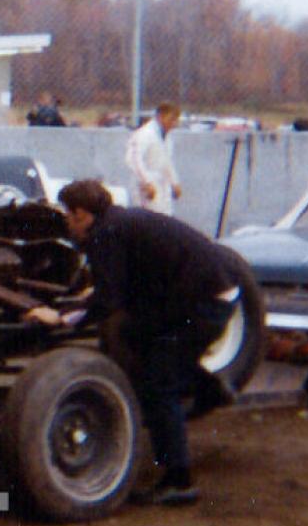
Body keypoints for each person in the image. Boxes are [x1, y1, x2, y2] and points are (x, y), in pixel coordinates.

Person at [25, 179, 239, 506]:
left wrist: (61, 318)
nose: (67, 222)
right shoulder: (119, 221)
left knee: (159, 382)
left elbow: (108, 301)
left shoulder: (106, 234)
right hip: (208, 291)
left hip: (205, 302)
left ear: (82, 215)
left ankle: (179, 481)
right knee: (136, 338)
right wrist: (86, 299)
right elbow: (118, 286)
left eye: (69, 215)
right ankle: (207, 386)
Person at [125, 101, 182, 215]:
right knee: (147, 219)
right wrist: (146, 182)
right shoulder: (145, 134)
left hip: (162, 186)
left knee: (165, 218)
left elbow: (167, 162)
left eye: (176, 120)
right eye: (171, 119)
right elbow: (133, 159)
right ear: (160, 117)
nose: (174, 124)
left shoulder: (167, 138)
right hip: (146, 187)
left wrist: (174, 182)